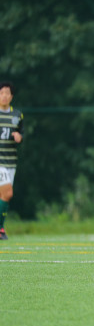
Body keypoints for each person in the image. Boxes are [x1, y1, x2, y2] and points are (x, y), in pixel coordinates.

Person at [0, 82, 24, 241]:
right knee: (8, 193)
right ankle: (0, 228)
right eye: (2, 93)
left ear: (12, 96)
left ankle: (1, 229)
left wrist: (18, 137)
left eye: (7, 93)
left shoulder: (17, 115)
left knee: (4, 196)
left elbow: (21, 134)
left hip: (11, 161)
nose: (4, 96)